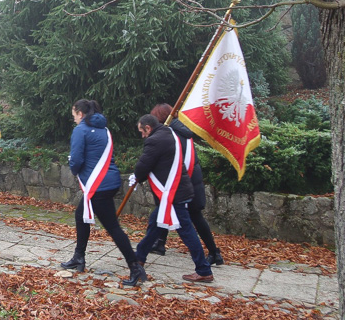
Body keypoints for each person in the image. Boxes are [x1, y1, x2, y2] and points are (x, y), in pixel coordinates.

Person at [60, 99, 146, 285]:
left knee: (113, 228)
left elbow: (76, 159)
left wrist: (75, 171)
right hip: (109, 181)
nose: (73, 119)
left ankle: (135, 267)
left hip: (97, 185)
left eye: (74, 115)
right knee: (81, 215)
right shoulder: (105, 130)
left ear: (80, 114)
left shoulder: (80, 130)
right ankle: (79, 257)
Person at [129, 114, 213, 283]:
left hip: (174, 194)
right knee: (155, 223)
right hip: (177, 191)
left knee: (187, 232)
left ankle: (204, 270)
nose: (142, 136)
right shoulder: (168, 133)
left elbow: (144, 165)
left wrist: (137, 176)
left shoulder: (154, 140)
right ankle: (139, 258)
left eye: (142, 131)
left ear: (148, 128)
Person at [147, 103, 223, 266]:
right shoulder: (184, 132)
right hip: (191, 180)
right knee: (169, 211)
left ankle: (214, 252)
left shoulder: (171, 134)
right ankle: (160, 243)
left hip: (182, 183)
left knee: (190, 217)